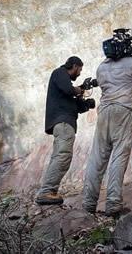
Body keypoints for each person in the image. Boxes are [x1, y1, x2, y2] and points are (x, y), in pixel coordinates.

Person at [81, 53, 132, 216]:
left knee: (97, 157)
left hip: (104, 111)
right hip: (123, 110)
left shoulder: (101, 67)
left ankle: (88, 203)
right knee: (119, 154)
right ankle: (113, 203)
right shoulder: (131, 63)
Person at [35, 56, 85, 205]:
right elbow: (68, 89)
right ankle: (46, 192)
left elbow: (72, 100)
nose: (79, 73)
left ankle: (49, 191)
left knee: (59, 156)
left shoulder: (64, 83)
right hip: (63, 123)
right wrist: (78, 90)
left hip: (63, 122)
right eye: (79, 70)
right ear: (74, 66)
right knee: (63, 155)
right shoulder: (60, 72)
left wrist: (83, 102)